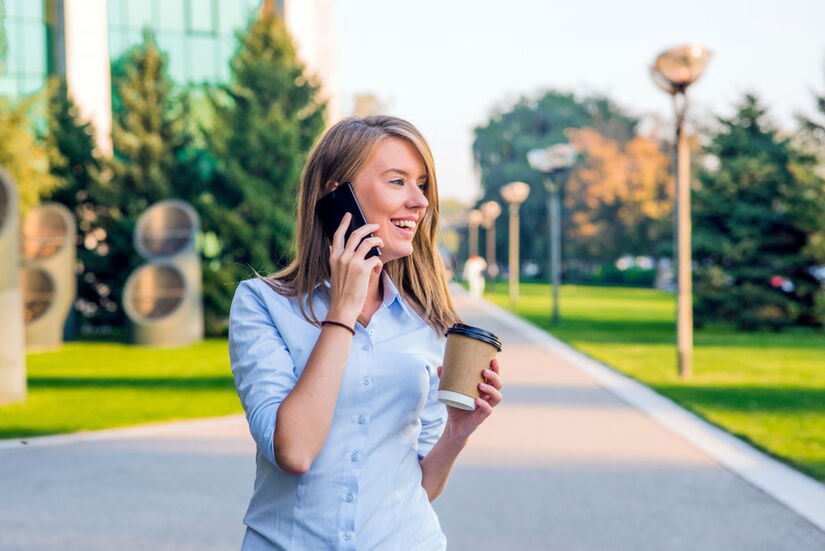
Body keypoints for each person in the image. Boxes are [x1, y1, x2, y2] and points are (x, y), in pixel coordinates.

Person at [228, 115, 504, 550]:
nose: (420, 202)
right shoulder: (262, 304)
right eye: (398, 182)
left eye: (422, 184)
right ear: (336, 195)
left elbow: (421, 487)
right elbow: (294, 452)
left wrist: (457, 432)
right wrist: (343, 310)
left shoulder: (428, 321)